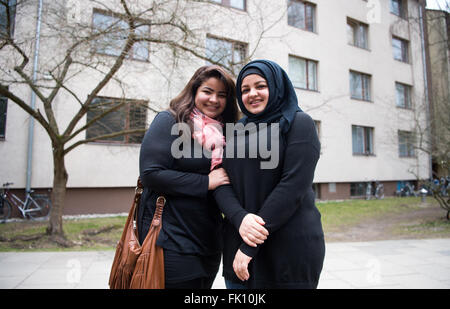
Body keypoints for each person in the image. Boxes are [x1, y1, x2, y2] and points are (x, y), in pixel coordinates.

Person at [214, 59, 325, 289]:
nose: (252, 94)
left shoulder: (298, 123)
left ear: (275, 86)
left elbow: (292, 187)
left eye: (260, 86)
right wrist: (240, 218)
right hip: (237, 246)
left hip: (287, 251)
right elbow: (221, 180)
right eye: (245, 90)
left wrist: (249, 246)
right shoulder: (235, 131)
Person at [138, 65, 239, 289]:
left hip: (209, 240)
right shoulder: (170, 121)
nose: (214, 99)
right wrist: (206, 182)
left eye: (222, 95)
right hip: (171, 239)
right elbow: (151, 174)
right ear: (194, 91)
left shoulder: (225, 132)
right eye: (208, 91)